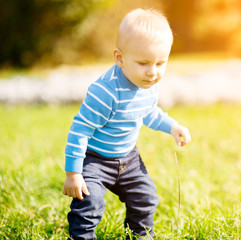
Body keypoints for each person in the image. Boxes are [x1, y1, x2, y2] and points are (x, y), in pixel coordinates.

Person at [62, 8, 191, 240]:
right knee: (89, 203)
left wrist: (173, 126)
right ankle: (81, 237)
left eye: (160, 63)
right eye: (143, 63)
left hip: (128, 158)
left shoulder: (147, 85)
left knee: (146, 198)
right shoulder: (104, 92)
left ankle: (139, 235)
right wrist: (73, 173)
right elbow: (79, 131)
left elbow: (149, 113)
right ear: (119, 58)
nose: (152, 72)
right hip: (96, 159)